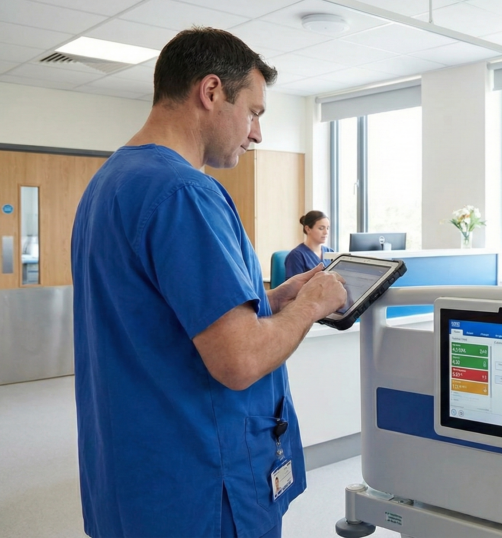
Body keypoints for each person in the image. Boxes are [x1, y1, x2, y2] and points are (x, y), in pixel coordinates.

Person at [71, 27, 348, 538]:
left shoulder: (111, 183)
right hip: (201, 485)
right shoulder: (184, 192)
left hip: (136, 479)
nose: (257, 133)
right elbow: (238, 361)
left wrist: (271, 301)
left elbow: (157, 318)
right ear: (212, 91)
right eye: (256, 112)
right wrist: (310, 305)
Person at [284, 211, 334, 279]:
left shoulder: (331, 253)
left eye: (327, 228)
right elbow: (294, 287)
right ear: (307, 229)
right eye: (321, 228)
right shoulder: (296, 256)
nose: (326, 232)